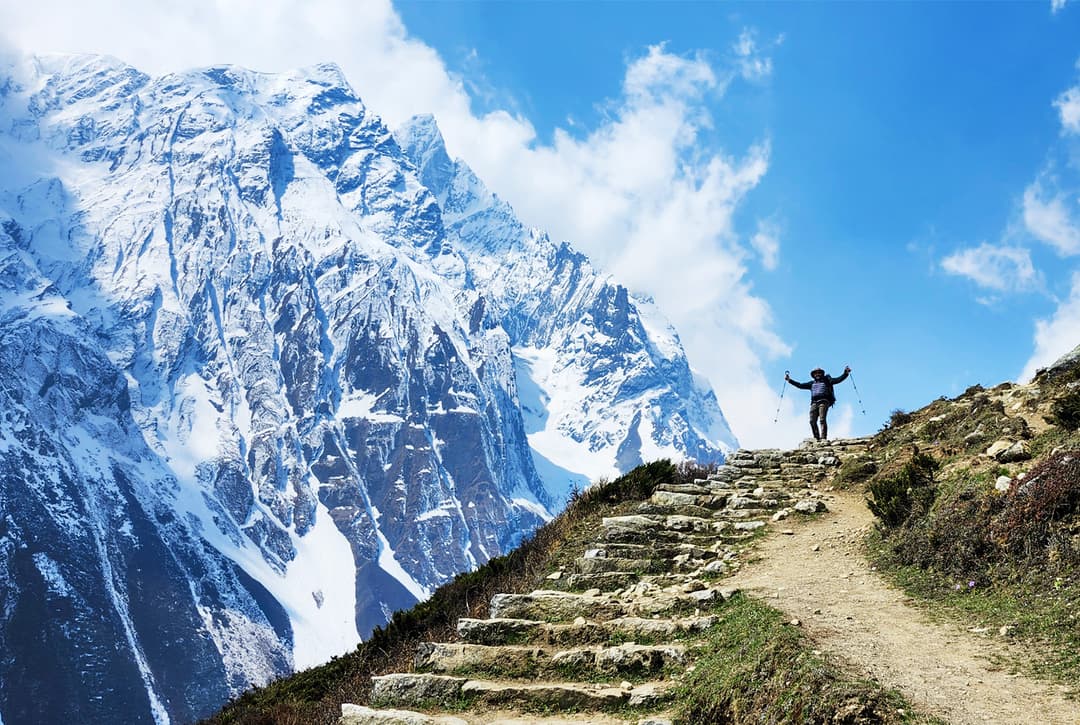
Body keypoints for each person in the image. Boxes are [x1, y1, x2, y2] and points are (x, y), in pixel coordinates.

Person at [785, 366, 851, 440]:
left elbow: (838, 380)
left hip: (824, 402)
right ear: (813, 375)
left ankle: (823, 438)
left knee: (822, 419)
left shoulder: (827, 381)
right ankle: (816, 438)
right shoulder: (811, 383)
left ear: (822, 374)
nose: (817, 374)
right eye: (815, 373)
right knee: (812, 421)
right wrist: (789, 380)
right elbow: (800, 385)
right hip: (814, 403)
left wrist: (845, 373)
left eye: (819, 373)